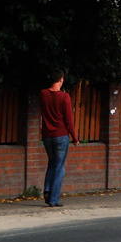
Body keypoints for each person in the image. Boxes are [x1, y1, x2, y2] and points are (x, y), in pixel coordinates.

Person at [39, 68, 78, 207]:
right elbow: (68, 120)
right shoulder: (64, 97)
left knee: (52, 163)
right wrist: (74, 137)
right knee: (59, 167)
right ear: (61, 80)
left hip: (47, 136)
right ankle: (54, 199)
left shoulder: (43, 94)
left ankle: (47, 190)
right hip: (60, 135)